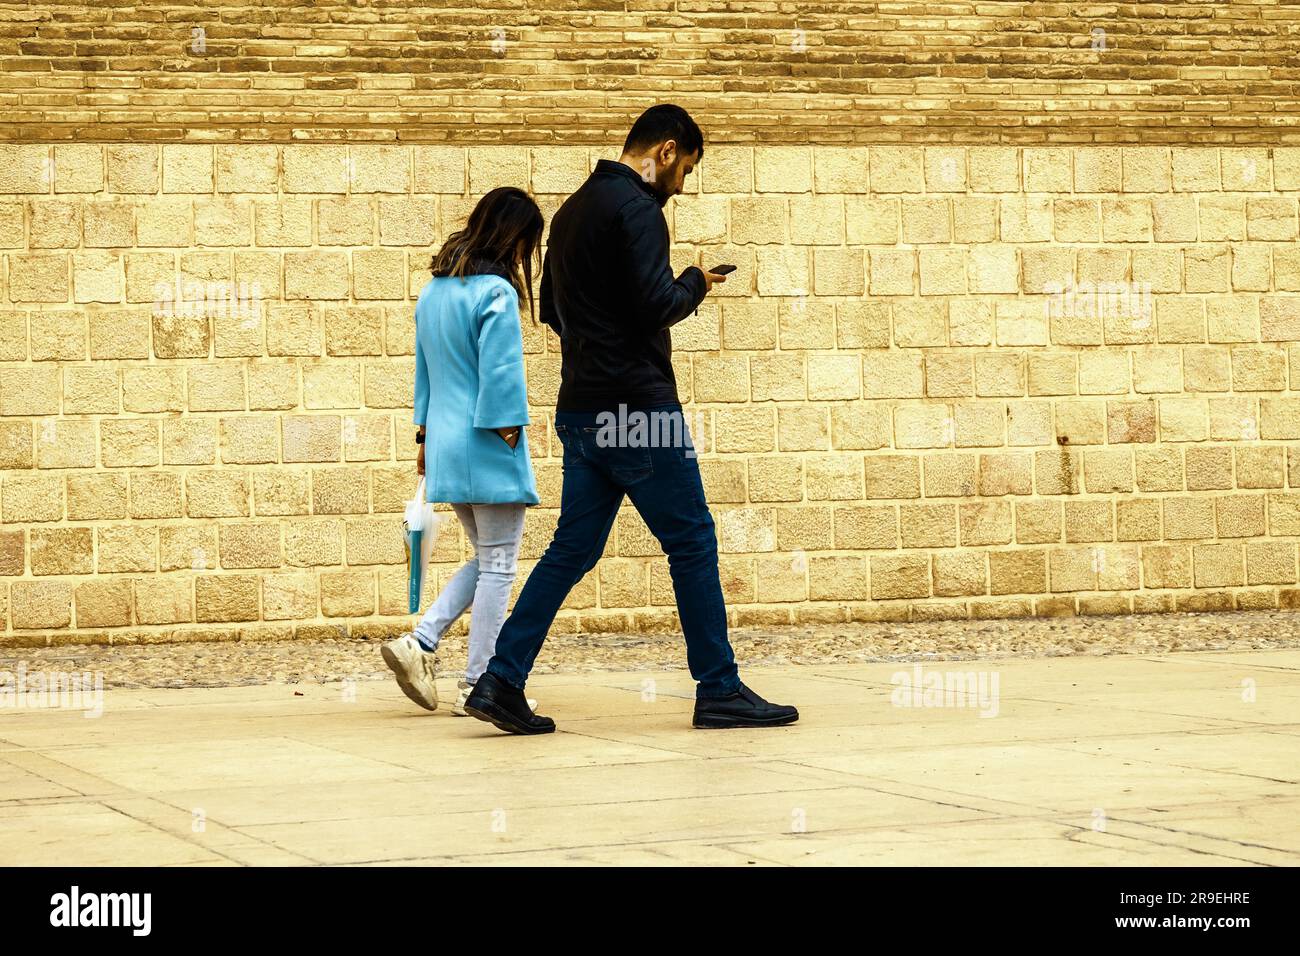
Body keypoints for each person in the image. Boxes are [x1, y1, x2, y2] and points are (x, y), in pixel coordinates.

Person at [465, 105, 800, 734]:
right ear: (667, 151)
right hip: (640, 411)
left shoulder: (569, 213)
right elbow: (655, 307)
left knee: (572, 549)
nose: (683, 186)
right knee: (693, 542)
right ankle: (719, 689)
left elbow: (553, 314)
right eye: (687, 170)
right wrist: (696, 282)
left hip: (581, 408)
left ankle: (500, 679)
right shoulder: (639, 210)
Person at [382, 187, 543, 716]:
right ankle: (478, 681)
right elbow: (501, 374)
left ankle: (422, 642)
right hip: (488, 439)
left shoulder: (434, 291)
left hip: (446, 444)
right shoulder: (494, 292)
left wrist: (424, 439)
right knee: (501, 565)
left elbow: (423, 374)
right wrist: (513, 437)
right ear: (513, 237)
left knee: (489, 557)